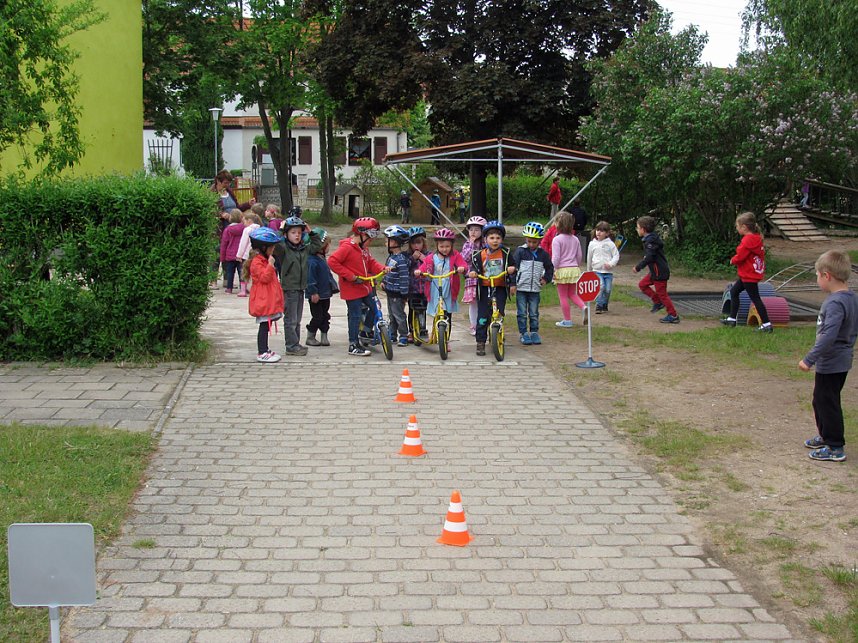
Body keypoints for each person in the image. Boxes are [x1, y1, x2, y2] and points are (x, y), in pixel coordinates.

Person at [799, 250, 858, 462]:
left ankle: (835, 447)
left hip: (832, 362)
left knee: (827, 402)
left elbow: (828, 335)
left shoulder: (834, 303)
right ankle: (826, 436)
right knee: (821, 400)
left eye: (816, 275)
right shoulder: (852, 298)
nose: (816, 280)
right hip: (840, 361)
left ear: (827, 275)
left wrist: (809, 358)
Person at [328, 217, 390, 357]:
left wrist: (383, 268)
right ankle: (353, 344)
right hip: (352, 288)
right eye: (370, 237)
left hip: (365, 286)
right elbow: (332, 261)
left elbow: (371, 263)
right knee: (355, 315)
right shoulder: (347, 248)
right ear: (361, 234)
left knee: (375, 308)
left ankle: (366, 331)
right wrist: (350, 276)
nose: (371, 241)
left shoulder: (364, 248)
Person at [468, 220, 515, 356]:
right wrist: (472, 272)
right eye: (492, 238)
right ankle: (481, 341)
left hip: (500, 287)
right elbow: (474, 268)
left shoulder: (505, 253)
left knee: (499, 312)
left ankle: (498, 331)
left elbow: (513, 267)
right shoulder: (479, 255)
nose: (495, 241)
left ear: (502, 239)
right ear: (485, 239)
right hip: (484, 288)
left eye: (498, 238)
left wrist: (512, 279)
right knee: (482, 316)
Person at [721, 212, 772, 332]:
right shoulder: (756, 238)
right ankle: (732, 319)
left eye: (737, 226)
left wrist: (733, 260)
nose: (737, 229)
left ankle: (766, 324)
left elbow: (741, 256)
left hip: (749, 275)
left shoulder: (747, 240)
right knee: (734, 291)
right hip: (748, 274)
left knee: (755, 298)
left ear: (744, 227)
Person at [416, 229, 468, 345]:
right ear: (437, 245)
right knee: (437, 311)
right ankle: (436, 330)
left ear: (452, 246)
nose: (445, 249)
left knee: (447, 315)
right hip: (435, 287)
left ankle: (446, 340)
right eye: (442, 246)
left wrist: (462, 268)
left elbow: (463, 264)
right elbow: (424, 267)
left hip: (448, 288)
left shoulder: (455, 255)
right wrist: (419, 271)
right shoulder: (431, 257)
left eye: (447, 246)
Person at [279, 215, 322, 356]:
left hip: (300, 288)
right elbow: (276, 245)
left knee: (297, 320)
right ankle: (291, 346)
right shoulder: (284, 248)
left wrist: (310, 232)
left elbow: (317, 245)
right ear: (286, 234)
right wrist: (280, 230)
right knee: (290, 320)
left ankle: (295, 343)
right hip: (289, 288)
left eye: (299, 232)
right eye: (293, 232)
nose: (297, 235)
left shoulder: (303, 248)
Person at [243, 227, 283, 363]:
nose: (273, 250)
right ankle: (262, 351)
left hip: (267, 299)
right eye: (271, 248)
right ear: (263, 247)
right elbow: (265, 278)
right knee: (264, 326)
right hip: (262, 299)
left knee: (267, 326)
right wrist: (271, 265)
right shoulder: (257, 262)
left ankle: (265, 349)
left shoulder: (263, 260)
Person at [512, 222, 554, 345]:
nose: (531, 244)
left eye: (534, 242)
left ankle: (534, 332)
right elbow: (513, 268)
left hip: (535, 289)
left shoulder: (543, 254)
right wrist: (513, 284)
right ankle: (523, 333)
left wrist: (546, 278)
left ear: (540, 240)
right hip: (521, 288)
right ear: (526, 239)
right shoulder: (520, 252)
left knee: (534, 312)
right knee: (522, 312)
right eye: (529, 241)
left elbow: (550, 267)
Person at [633, 215, 679, 324]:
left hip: (659, 272)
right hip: (654, 271)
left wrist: (638, 267)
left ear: (643, 230)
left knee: (662, 294)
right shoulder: (650, 239)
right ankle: (657, 301)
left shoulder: (650, 241)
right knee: (642, 285)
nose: (637, 230)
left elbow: (650, 257)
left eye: (638, 228)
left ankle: (673, 315)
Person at [552, 211, 587, 328]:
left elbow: (556, 258)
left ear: (558, 224)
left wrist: (553, 269)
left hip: (562, 270)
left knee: (563, 296)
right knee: (572, 293)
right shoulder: (575, 239)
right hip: (574, 269)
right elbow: (579, 256)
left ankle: (567, 320)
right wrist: (575, 266)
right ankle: (583, 307)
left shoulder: (557, 240)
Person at [305, 228, 338, 348]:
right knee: (317, 316)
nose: (329, 247)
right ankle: (310, 336)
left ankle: (324, 335)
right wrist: (313, 292)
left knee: (325, 315)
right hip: (316, 295)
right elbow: (310, 279)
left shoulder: (322, 259)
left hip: (325, 293)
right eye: (328, 245)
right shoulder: (312, 261)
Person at [382, 225, 413, 347]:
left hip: (398, 293)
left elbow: (404, 277)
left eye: (387, 240)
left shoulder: (400, 259)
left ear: (394, 242)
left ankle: (404, 335)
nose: (385, 242)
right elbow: (388, 271)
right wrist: (384, 281)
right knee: (391, 315)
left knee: (399, 315)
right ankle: (392, 334)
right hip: (390, 292)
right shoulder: (391, 257)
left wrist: (404, 293)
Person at [587, 221, 620, 314]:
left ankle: (605, 304)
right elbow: (589, 257)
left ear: (607, 233)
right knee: (601, 287)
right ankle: (599, 305)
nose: (599, 233)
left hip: (608, 272)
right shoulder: (592, 244)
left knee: (608, 289)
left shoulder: (610, 244)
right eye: (597, 230)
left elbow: (616, 255)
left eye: (602, 231)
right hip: (596, 270)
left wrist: (611, 264)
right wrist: (589, 271)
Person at [461, 216, 486, 335]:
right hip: (471, 278)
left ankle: (483, 324)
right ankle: (473, 326)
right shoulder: (467, 244)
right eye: (471, 229)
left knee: (485, 302)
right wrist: (471, 244)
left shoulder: (486, 244)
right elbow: (464, 258)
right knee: (473, 303)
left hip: (484, 277)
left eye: (476, 229)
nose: (473, 232)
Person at [407, 227, 429, 342]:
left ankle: (422, 328)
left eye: (419, 243)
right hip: (412, 289)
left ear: (423, 243)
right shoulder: (407, 255)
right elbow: (404, 267)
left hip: (425, 289)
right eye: (413, 243)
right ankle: (411, 331)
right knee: (412, 310)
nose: (416, 246)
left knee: (423, 310)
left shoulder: (428, 254)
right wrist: (412, 259)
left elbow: (432, 266)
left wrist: (423, 259)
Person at [235, 212, 262, 298]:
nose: (244, 224)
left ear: (249, 221)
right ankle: (256, 289)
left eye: (244, 222)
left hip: (247, 254)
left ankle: (243, 290)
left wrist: (239, 254)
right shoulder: (260, 229)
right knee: (256, 272)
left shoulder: (247, 230)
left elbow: (243, 243)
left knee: (244, 271)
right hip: (257, 254)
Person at [220, 209, 245, 294]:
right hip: (240, 254)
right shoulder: (244, 228)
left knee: (230, 272)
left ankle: (229, 288)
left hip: (230, 254)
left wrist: (222, 257)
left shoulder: (227, 230)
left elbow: (224, 243)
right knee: (241, 271)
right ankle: (243, 288)